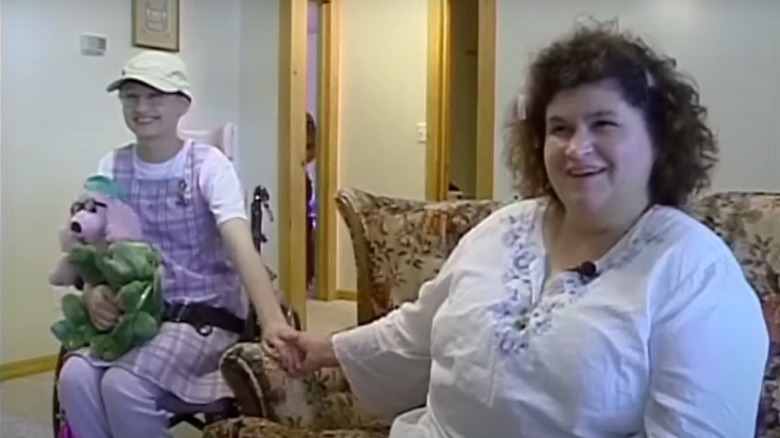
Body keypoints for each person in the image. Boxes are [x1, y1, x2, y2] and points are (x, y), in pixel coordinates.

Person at [279, 23, 770, 437]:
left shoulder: (696, 275)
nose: (577, 148)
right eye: (560, 128)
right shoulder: (504, 228)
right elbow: (421, 326)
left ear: (660, 139)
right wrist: (324, 349)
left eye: (603, 124)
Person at [57, 50, 300, 438]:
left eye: (156, 96)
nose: (142, 107)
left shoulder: (208, 165)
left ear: (182, 103)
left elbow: (240, 246)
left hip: (202, 316)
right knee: (75, 377)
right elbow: (95, 249)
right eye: (131, 96)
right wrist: (94, 293)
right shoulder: (111, 166)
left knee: (123, 386)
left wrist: (272, 320)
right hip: (134, 315)